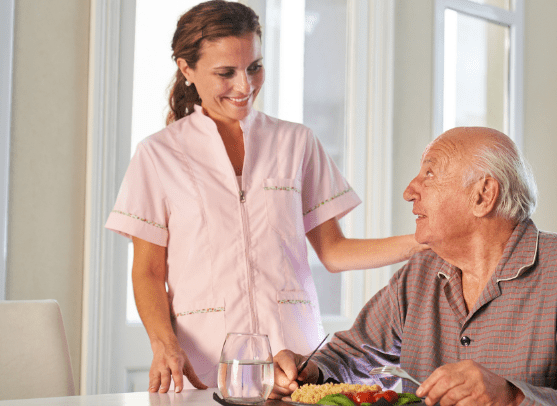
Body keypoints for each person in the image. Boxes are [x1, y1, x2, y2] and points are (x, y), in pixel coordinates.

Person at [105, 0, 424, 394]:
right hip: (206, 365)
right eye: (226, 73)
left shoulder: (296, 142)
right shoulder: (158, 155)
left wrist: (421, 243)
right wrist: (164, 344)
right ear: (187, 70)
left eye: (254, 67)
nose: (245, 86)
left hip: (298, 361)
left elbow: (334, 251)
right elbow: (149, 272)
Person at [272, 127, 557, 406]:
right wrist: (307, 371)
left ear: (483, 194)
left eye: (429, 174)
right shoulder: (421, 271)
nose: (409, 190)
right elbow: (351, 356)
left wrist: (513, 397)